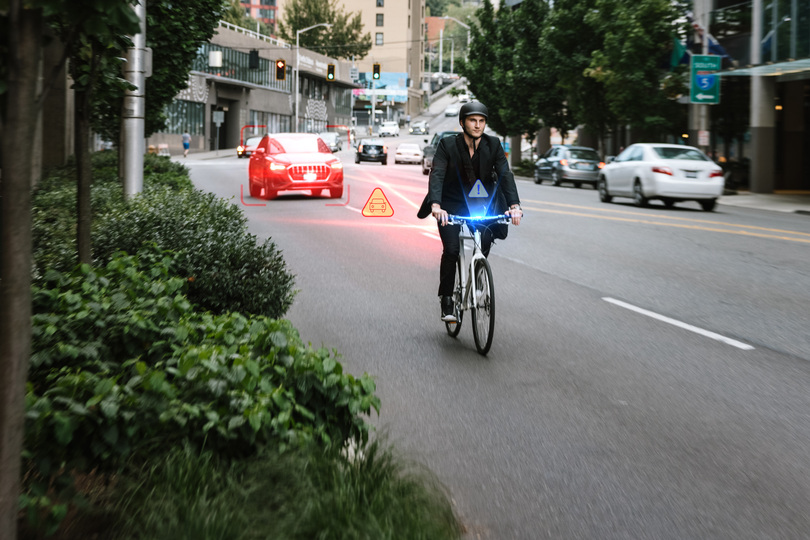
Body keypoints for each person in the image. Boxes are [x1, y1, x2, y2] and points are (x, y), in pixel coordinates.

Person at [417, 101, 522, 321]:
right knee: (452, 249)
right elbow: (437, 174)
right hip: (449, 204)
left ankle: (477, 274)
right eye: (472, 120)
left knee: (486, 237)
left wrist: (514, 206)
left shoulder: (493, 145)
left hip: (479, 203)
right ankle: (447, 299)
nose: (477, 125)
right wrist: (436, 206)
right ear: (462, 122)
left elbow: (505, 174)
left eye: (481, 121)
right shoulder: (447, 145)